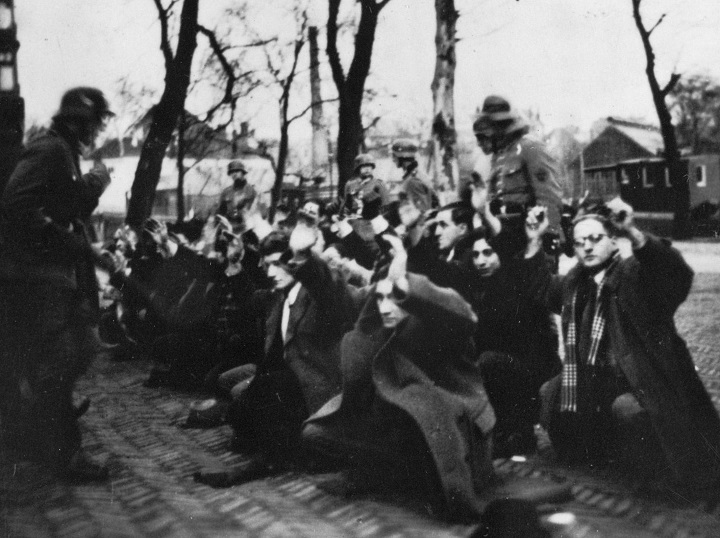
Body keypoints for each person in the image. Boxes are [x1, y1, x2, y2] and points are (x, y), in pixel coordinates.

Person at [531, 198, 720, 500]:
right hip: (595, 380)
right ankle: (595, 452)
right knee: (550, 392)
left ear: (612, 240)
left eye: (595, 239)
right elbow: (539, 288)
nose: (587, 247)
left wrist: (633, 231)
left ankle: (659, 474)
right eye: (580, 242)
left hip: (641, 380)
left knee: (628, 410)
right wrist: (534, 240)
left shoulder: (634, 275)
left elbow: (676, 273)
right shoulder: (575, 284)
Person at [302, 234, 497, 521]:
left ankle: (400, 476)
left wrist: (405, 282)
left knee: (438, 482)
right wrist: (305, 257)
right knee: (316, 434)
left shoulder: (439, 320)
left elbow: (462, 313)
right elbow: (337, 295)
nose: (385, 307)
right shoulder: (376, 315)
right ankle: (391, 474)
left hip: (454, 431)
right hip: (400, 421)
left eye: (394, 299)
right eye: (380, 298)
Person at [0, 87, 115, 481]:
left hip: (46, 276)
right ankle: (65, 454)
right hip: (36, 277)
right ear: (79, 122)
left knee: (72, 352)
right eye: (96, 122)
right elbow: (16, 204)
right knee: (63, 358)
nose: (98, 131)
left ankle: (38, 427)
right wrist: (63, 235)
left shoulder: (61, 150)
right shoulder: (50, 149)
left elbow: (67, 205)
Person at [194, 224, 356, 487]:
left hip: (314, 390)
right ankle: (278, 447)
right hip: (283, 386)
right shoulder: (279, 298)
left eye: (276, 265)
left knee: (269, 393)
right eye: (267, 265)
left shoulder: (316, 295)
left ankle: (263, 464)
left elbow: (330, 286)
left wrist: (304, 256)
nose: (270, 273)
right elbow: (250, 306)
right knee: (240, 410)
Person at [473, 96, 564, 261]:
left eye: (487, 132)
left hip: (528, 230)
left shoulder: (530, 147)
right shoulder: (498, 156)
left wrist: (547, 235)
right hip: (504, 231)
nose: (481, 141)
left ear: (501, 127)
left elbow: (549, 195)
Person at [391, 138, 437, 213]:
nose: (393, 159)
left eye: (394, 156)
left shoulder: (413, 181)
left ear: (403, 157)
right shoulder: (414, 175)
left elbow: (423, 212)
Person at [341, 153, 390, 218]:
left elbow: (386, 205)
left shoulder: (379, 184)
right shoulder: (350, 184)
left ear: (372, 168)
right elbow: (346, 205)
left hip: (373, 218)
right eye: (364, 166)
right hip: (354, 218)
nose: (367, 169)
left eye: (369, 166)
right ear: (358, 168)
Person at [218, 159, 256, 224]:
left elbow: (257, 212)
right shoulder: (226, 192)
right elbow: (221, 212)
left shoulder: (252, 190)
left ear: (243, 173)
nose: (234, 174)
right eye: (232, 172)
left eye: (237, 171)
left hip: (247, 225)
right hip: (230, 225)